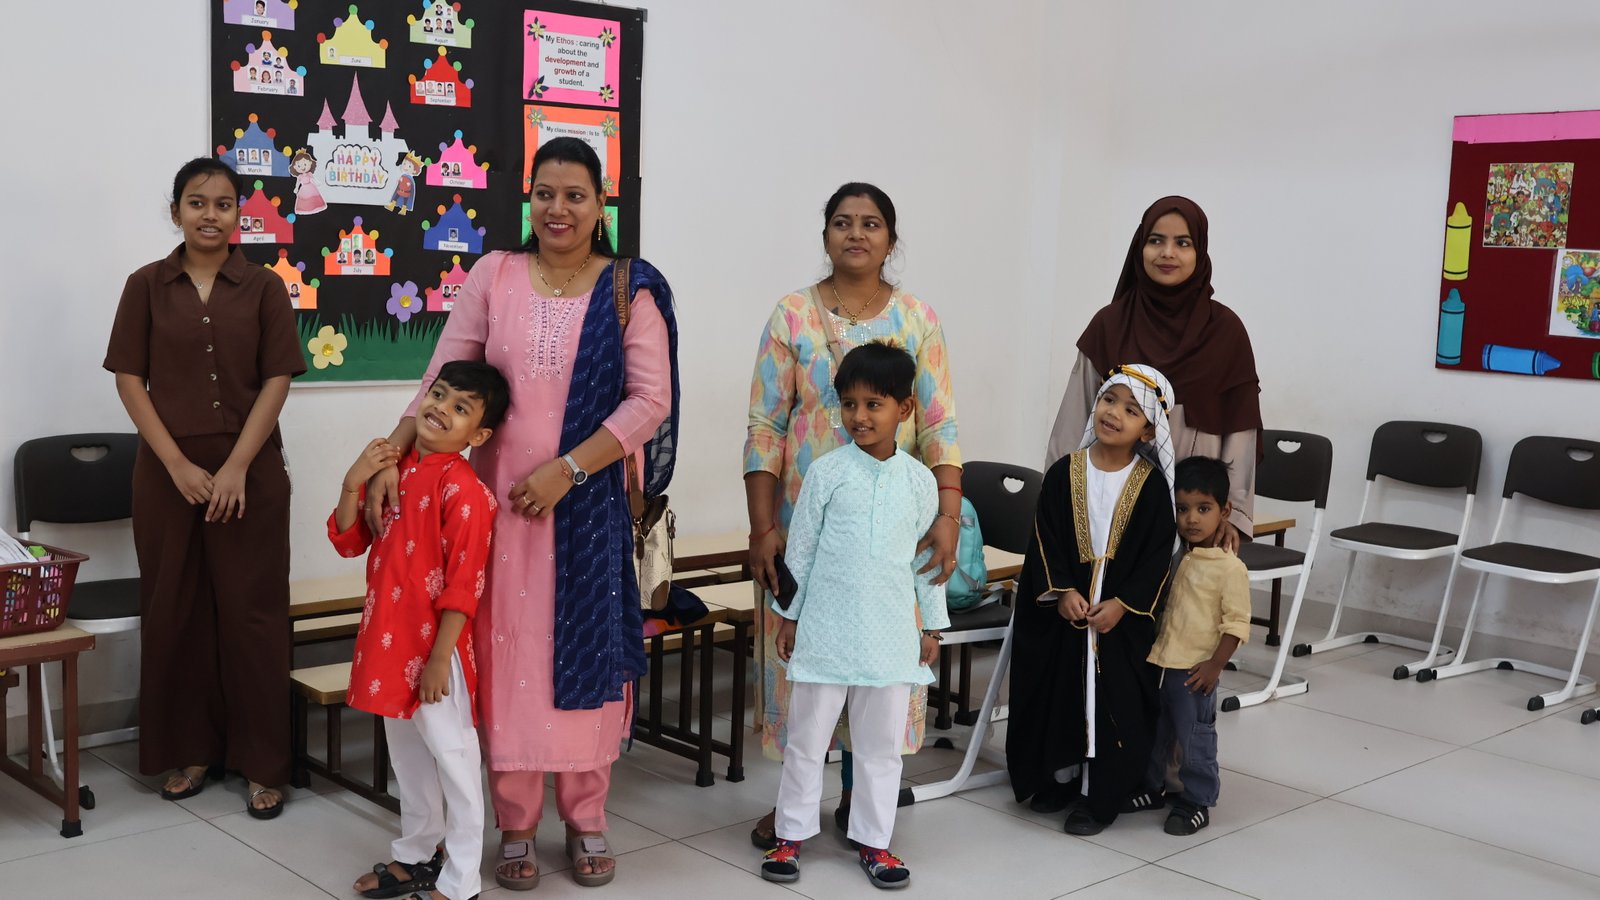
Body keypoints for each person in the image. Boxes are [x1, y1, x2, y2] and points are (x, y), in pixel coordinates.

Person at [366, 136, 678, 890]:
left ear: (600, 204)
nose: (557, 208)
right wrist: (384, 457)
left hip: (587, 507)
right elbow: (443, 375)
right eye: (544, 193)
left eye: (575, 194)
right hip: (493, 509)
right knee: (505, 660)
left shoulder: (628, 288)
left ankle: (587, 818)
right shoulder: (495, 274)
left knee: (586, 657)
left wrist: (569, 470)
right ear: (528, 198)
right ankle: (515, 824)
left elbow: (650, 401)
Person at [744, 182, 962, 847]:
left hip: (895, 523)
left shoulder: (918, 319)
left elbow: (940, 424)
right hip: (806, 523)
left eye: (871, 224)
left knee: (880, 663)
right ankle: (796, 807)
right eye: (842, 222)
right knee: (806, 667)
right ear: (826, 236)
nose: (856, 234)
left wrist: (947, 515)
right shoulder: (791, 315)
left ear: (891, 240)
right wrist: (763, 527)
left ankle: (859, 800)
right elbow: (765, 425)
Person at [103, 157, 304, 818]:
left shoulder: (265, 287)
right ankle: (191, 752)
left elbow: (277, 378)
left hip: (251, 472)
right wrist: (177, 465)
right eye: (197, 202)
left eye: (223, 203)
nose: (210, 215)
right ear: (176, 212)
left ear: (238, 213)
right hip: (169, 477)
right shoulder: (145, 285)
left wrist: (239, 465)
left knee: (253, 615)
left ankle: (263, 763)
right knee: (176, 610)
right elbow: (129, 379)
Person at [759, 342, 947, 891]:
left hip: (891, 638)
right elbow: (801, 552)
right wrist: (790, 616)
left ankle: (874, 842)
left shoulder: (920, 481)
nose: (859, 416)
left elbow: (926, 564)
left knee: (880, 749)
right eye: (849, 404)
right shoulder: (827, 473)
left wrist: (932, 626)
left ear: (904, 409)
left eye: (873, 404)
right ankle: (790, 836)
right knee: (806, 741)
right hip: (825, 632)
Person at [332, 361, 509, 900]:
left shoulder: (468, 494)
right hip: (388, 638)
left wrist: (438, 660)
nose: (441, 408)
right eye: (439, 394)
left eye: (461, 407)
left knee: (453, 757)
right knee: (407, 756)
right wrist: (354, 479)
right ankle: (415, 854)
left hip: (437, 650)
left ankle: (461, 879)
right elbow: (349, 538)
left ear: (478, 435)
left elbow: (465, 586)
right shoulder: (394, 469)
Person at [1006, 364, 1178, 836]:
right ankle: (1060, 778)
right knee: (1061, 691)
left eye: (1131, 410)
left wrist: (1123, 604)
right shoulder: (1064, 472)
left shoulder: (1151, 486)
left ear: (1149, 430)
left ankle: (1098, 796)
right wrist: (1062, 590)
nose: (1114, 413)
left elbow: (1156, 557)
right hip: (1067, 615)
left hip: (1118, 622)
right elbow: (1046, 539)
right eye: (1109, 400)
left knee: (1110, 702)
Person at [1045, 197, 1261, 552]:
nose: (1167, 253)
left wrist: (1230, 512)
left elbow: (1241, 433)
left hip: (1192, 513)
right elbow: (1074, 417)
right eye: (1155, 240)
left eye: (1183, 242)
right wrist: (1058, 494)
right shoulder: (1110, 324)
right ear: (1140, 246)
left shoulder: (1225, 332)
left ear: (1199, 251)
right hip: (1108, 505)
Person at [1126, 456, 1249, 836]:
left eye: (1203, 509)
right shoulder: (1181, 555)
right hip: (1163, 663)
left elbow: (1236, 624)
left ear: (1224, 511)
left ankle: (1198, 800)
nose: (1191, 519)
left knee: (1195, 738)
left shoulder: (1230, 568)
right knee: (1158, 733)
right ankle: (1152, 788)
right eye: (1182, 509)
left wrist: (1215, 666)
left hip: (1195, 672)